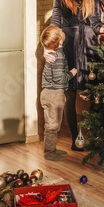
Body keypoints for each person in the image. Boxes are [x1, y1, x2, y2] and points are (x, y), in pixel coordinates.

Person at [44, 0, 102, 151]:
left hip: (89, 48)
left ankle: (93, 136)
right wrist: (48, 48)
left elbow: (95, 24)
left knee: (94, 93)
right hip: (67, 49)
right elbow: (55, 23)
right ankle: (75, 140)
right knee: (69, 94)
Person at [40, 25, 77, 161]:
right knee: (52, 125)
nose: (63, 31)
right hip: (53, 94)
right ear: (60, 40)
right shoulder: (58, 56)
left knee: (52, 124)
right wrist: (71, 74)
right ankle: (49, 153)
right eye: (61, 32)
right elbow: (59, 78)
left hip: (51, 93)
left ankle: (52, 148)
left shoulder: (51, 53)